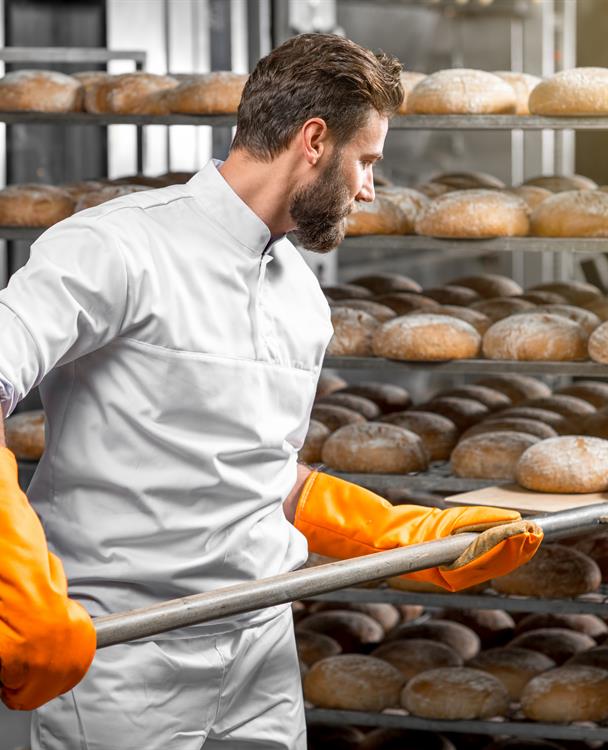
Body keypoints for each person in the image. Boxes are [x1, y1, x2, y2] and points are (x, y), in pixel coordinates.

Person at [0, 33, 542, 749]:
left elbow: (258, 469)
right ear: (314, 141)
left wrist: (392, 531)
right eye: (368, 161)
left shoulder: (301, 299)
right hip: (123, 655)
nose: (370, 189)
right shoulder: (116, 248)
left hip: (259, 646)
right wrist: (16, 582)